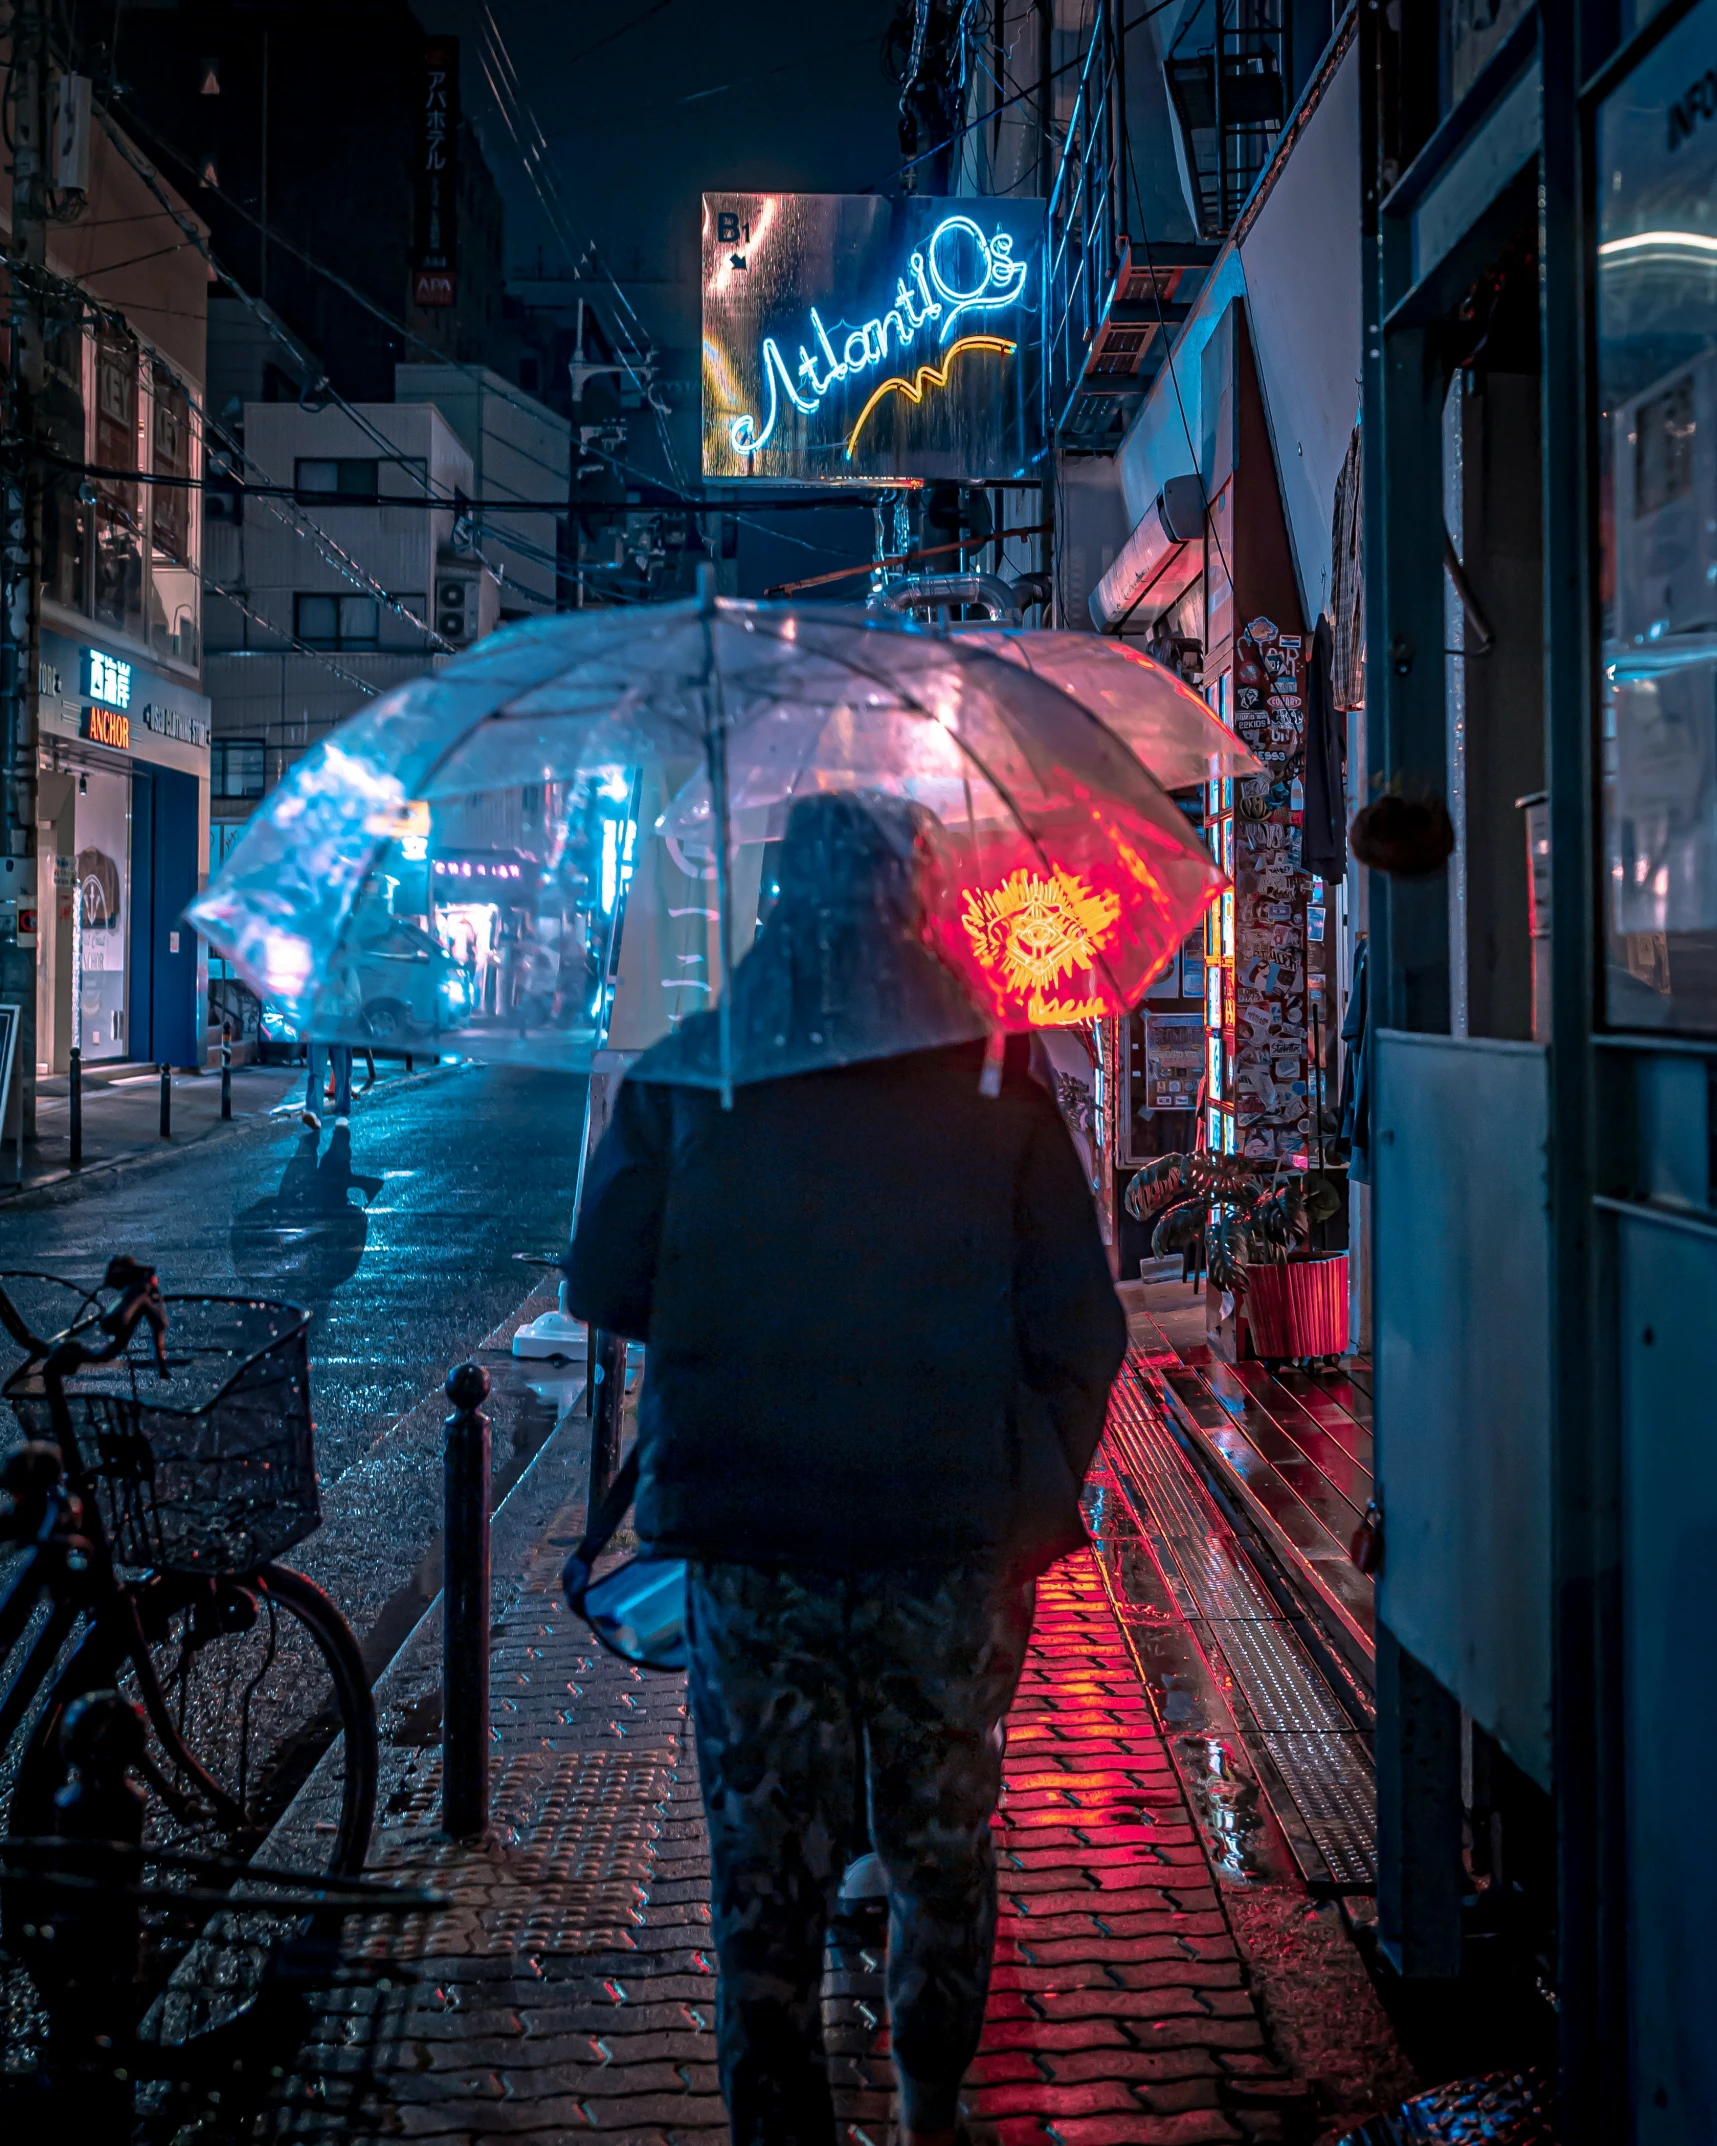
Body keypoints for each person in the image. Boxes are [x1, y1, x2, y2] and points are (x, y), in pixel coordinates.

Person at [564, 794, 1126, 2146]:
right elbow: (1081, 1322)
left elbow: (608, 1280)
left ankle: (780, 2122)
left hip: (754, 1537)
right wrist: (1030, 1476)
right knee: (940, 1839)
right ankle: (932, 2103)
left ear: (775, 904)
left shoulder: (693, 1068)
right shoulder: (995, 1073)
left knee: (764, 1858)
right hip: (950, 1532)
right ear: (916, 902)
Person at [302, 1040, 353, 1132]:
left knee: (343, 1073)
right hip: (318, 1029)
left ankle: (342, 1112)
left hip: (340, 1030)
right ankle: (314, 1112)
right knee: (316, 1072)